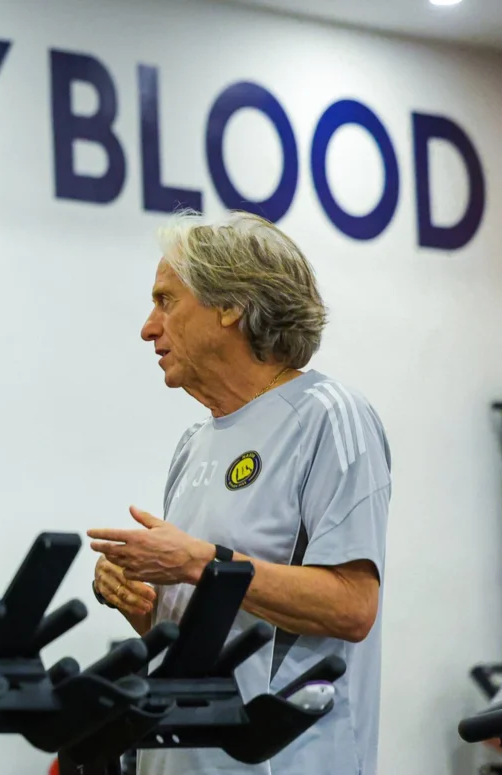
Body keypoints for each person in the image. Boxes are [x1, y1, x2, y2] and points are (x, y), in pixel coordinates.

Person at [88, 210, 391, 775]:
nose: (149, 327)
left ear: (230, 306)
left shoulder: (329, 415)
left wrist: (199, 562)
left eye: (166, 301)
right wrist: (138, 596)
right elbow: (203, 628)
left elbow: (352, 606)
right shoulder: (193, 442)